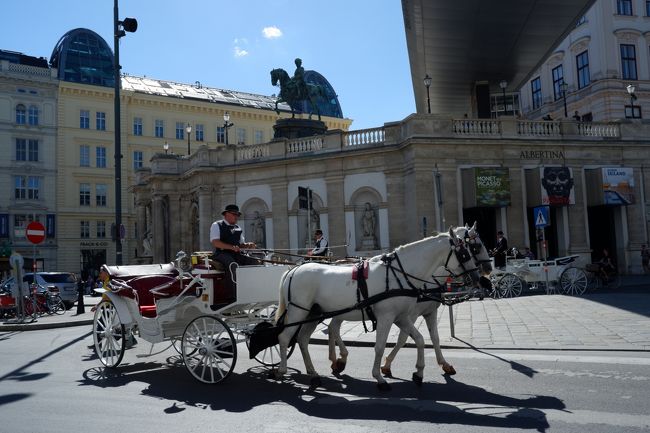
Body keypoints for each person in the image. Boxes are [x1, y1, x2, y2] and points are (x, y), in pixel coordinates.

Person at [210, 204, 258, 304]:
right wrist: (231, 247)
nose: (236, 217)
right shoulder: (217, 225)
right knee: (232, 265)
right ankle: (232, 297)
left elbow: (240, 245)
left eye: (237, 215)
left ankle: (252, 293)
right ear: (226, 214)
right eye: (234, 214)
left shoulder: (238, 228)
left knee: (254, 261)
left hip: (235, 254)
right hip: (221, 254)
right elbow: (215, 242)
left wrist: (247, 245)